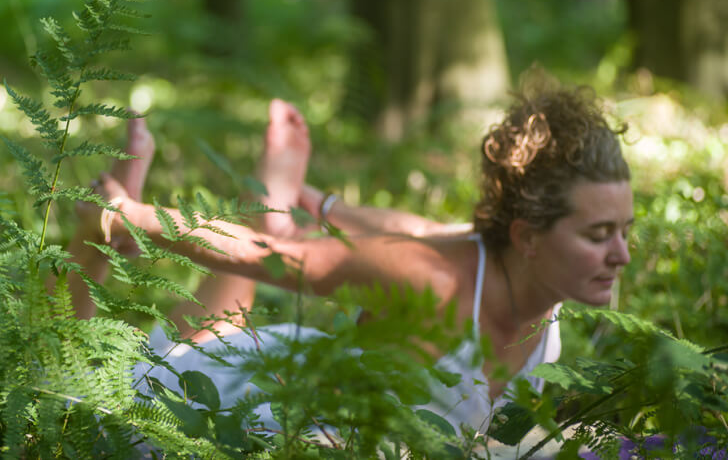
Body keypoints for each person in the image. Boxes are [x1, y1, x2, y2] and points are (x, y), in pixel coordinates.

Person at [80, 71, 634, 434]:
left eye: (625, 231)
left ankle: (276, 196)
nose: (622, 255)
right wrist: (132, 215)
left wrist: (320, 203)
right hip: (250, 413)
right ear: (528, 236)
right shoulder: (431, 279)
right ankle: (91, 228)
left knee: (206, 336)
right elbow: (263, 258)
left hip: (289, 368)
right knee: (73, 392)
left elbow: (413, 225)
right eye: (598, 234)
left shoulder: (539, 286)